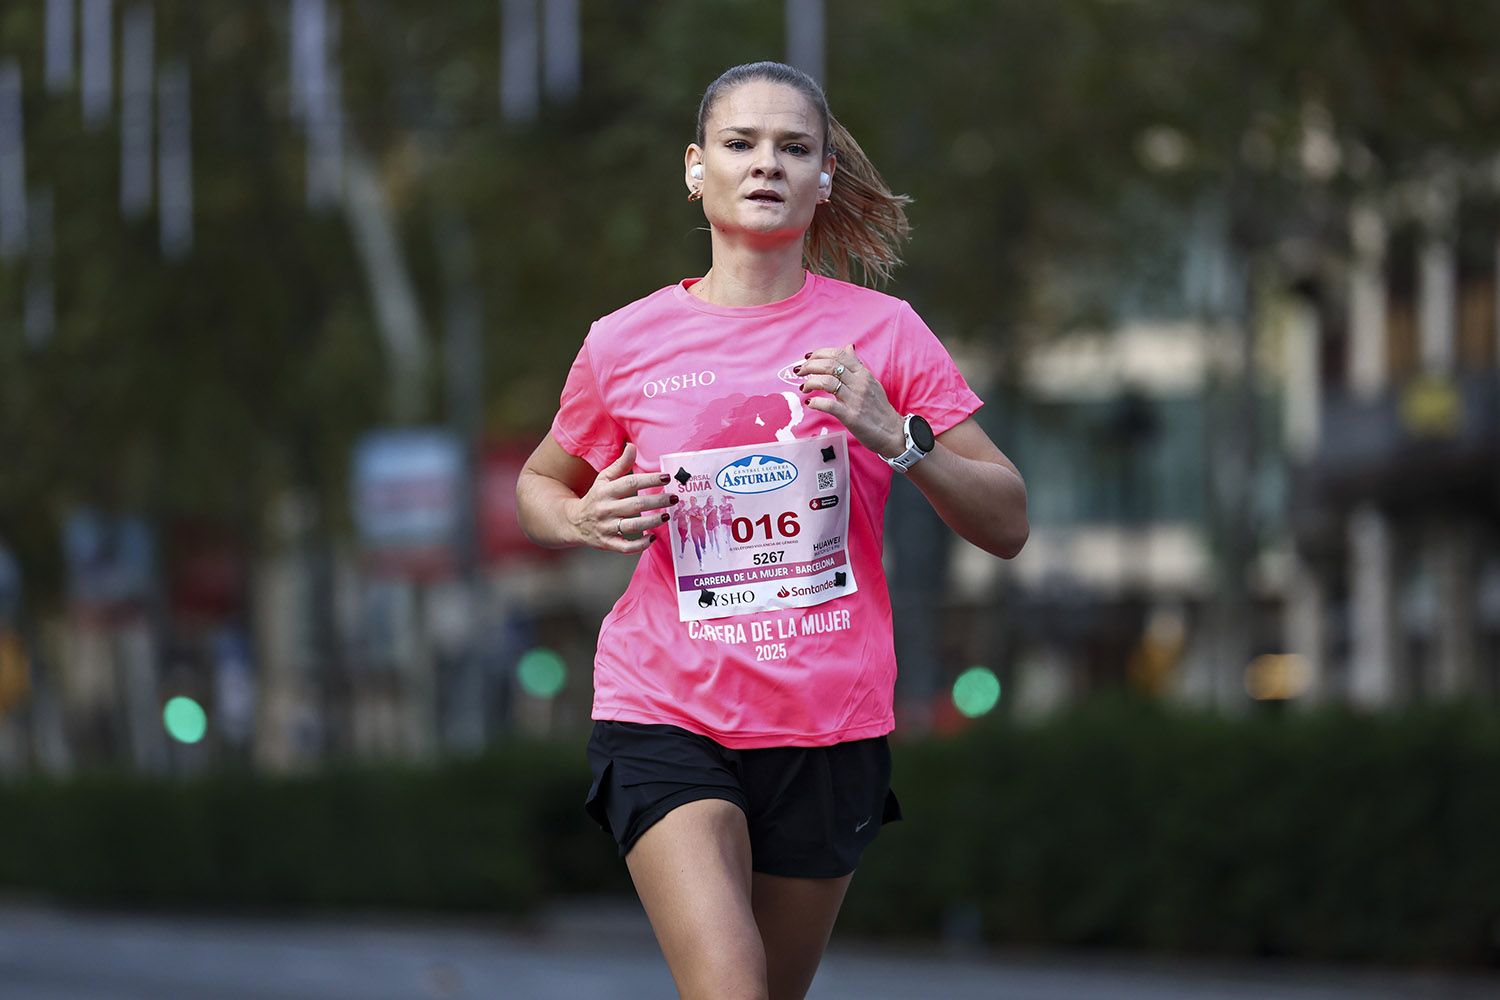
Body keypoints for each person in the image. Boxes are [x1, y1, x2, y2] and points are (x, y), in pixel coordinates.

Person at [516, 61, 1027, 1000]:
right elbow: (539, 482)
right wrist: (580, 517)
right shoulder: (623, 343)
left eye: (794, 148)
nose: (766, 165)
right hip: (666, 709)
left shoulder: (886, 335)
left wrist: (896, 438)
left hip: (828, 728)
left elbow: (1007, 521)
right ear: (693, 167)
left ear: (825, 175)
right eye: (740, 144)